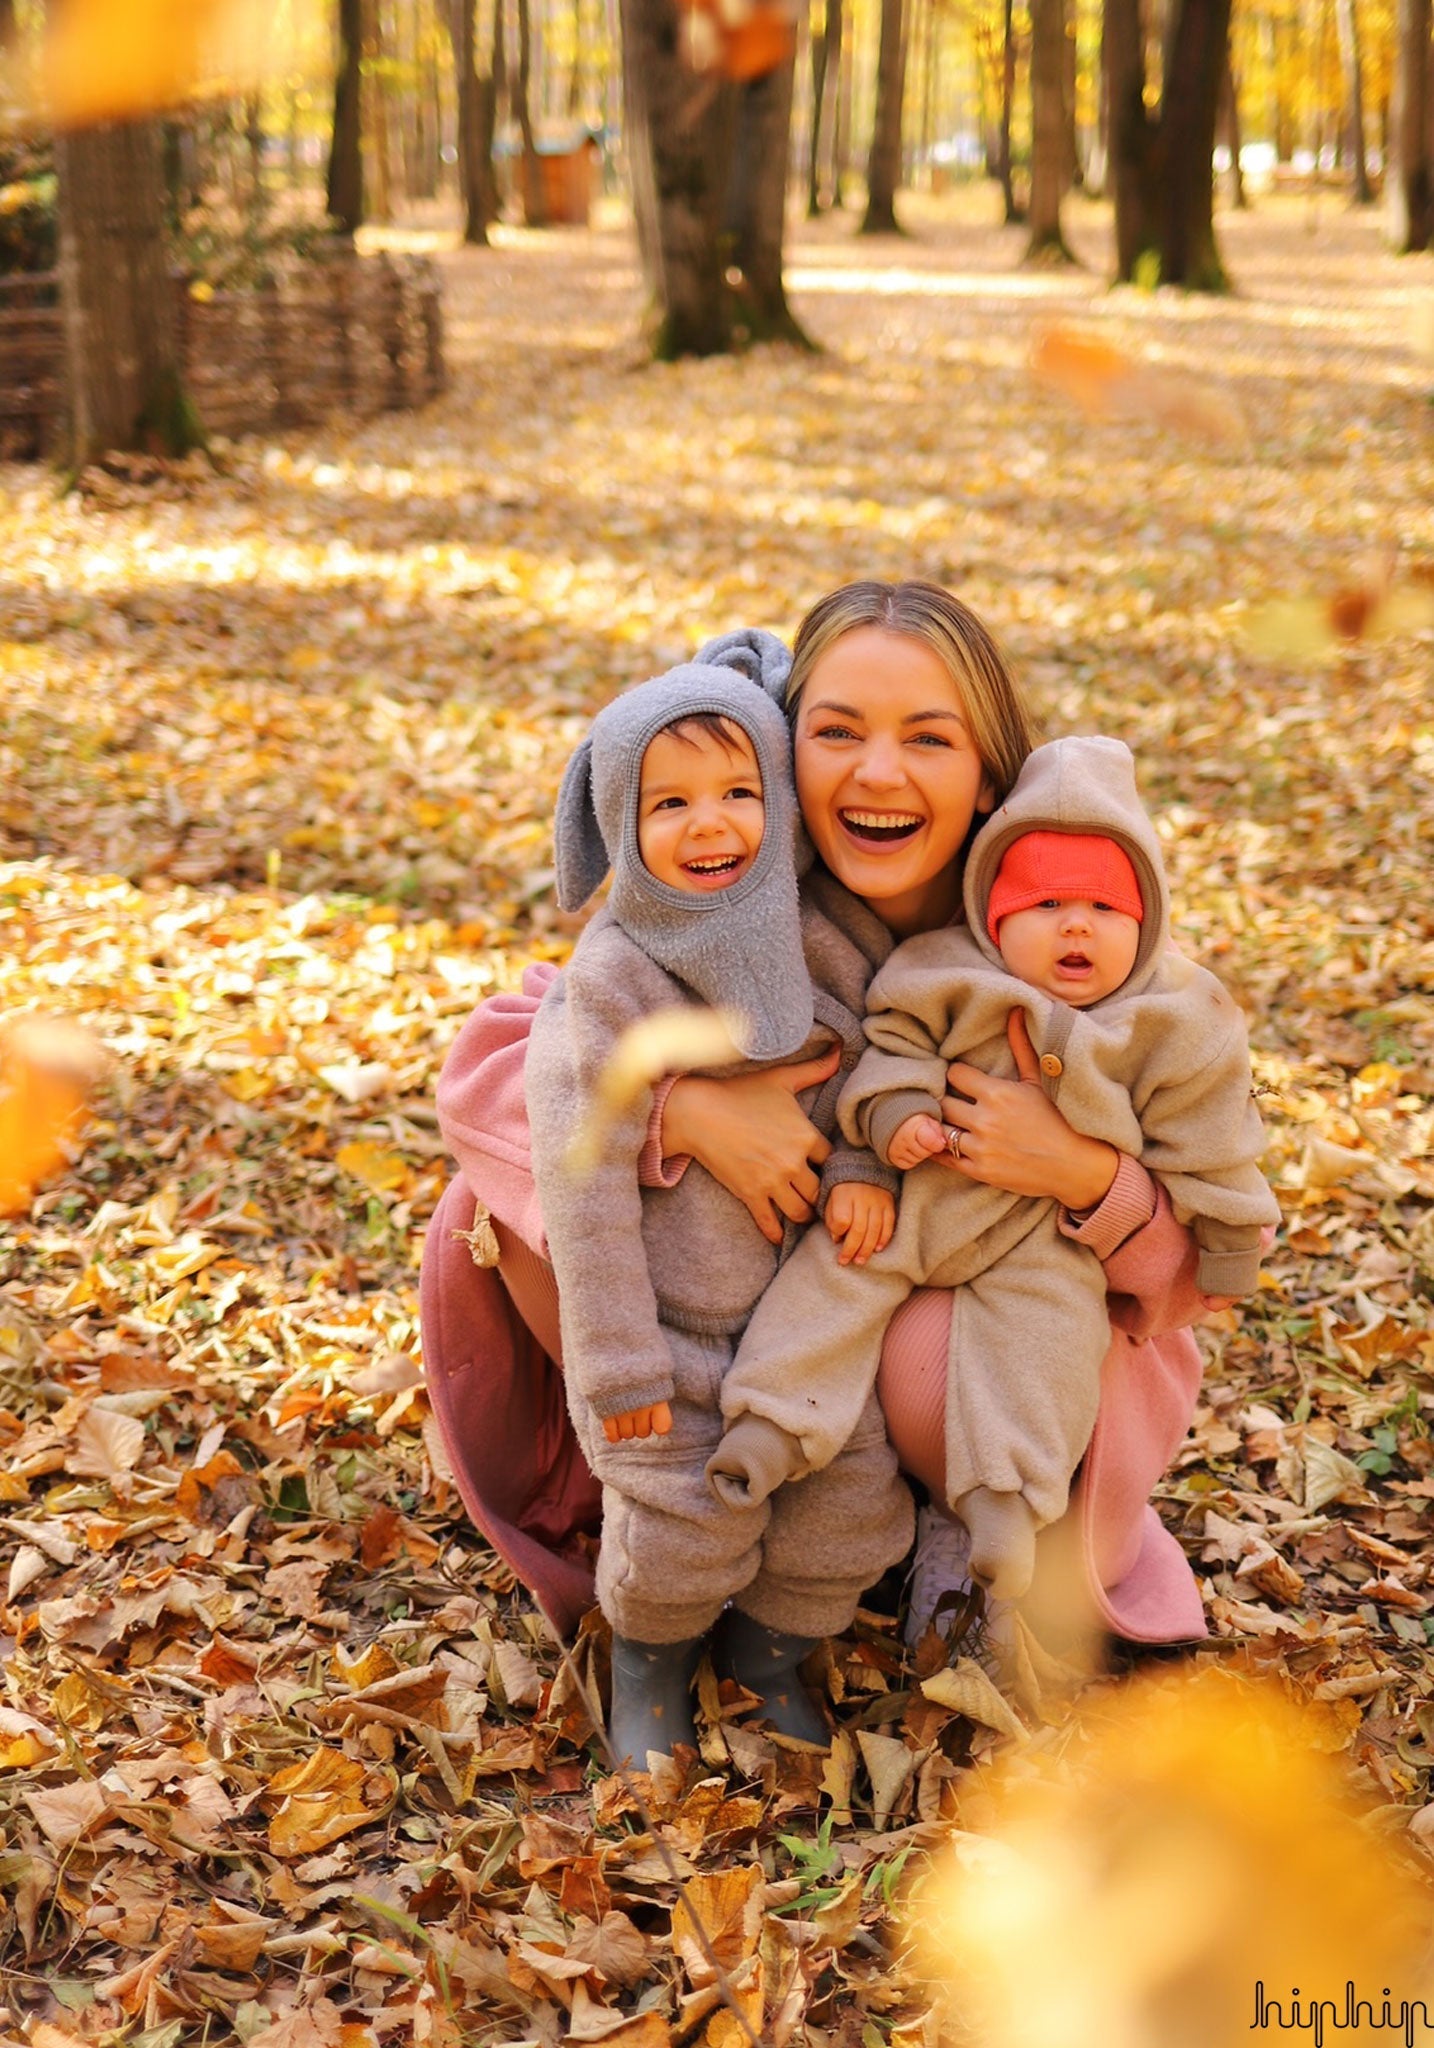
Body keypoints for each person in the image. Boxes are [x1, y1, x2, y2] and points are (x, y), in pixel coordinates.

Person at [420, 580, 1236, 1687]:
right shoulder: (735, 878)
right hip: (770, 1327)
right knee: (504, 1210)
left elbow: (1203, 1256)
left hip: (988, 1365)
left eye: (929, 739)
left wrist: (1087, 1172)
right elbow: (496, 1062)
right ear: (779, 742)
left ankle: (956, 1533)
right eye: (836, 732)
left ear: (990, 771)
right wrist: (682, 1111)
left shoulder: (1065, 930)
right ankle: (694, 1488)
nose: (878, 773)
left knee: (924, 1331)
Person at [707, 734, 1279, 1609]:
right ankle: (770, 1425)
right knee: (838, 1274)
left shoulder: (1175, 1022)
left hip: (1042, 1243)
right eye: (1045, 903)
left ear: (1147, 921)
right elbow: (894, 1047)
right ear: (994, 917)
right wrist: (889, 1124)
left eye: (1103, 908)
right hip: (920, 1205)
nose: (1076, 925)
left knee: (1044, 1339)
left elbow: (1214, 1140)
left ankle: (1005, 1503)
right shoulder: (946, 974)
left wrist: (1225, 1232)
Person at [526, 656, 912, 1764]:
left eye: (741, 791)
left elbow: (868, 1079)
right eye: (671, 801)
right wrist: (617, 1363)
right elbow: (580, 1173)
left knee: (846, 1503)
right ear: (614, 822)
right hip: (673, 1329)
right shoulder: (611, 980)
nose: (714, 823)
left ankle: (768, 1656)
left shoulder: (822, 942)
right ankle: (650, 1668)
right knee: (679, 1522)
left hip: (809, 1324)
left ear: (781, 800)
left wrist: (866, 1174)